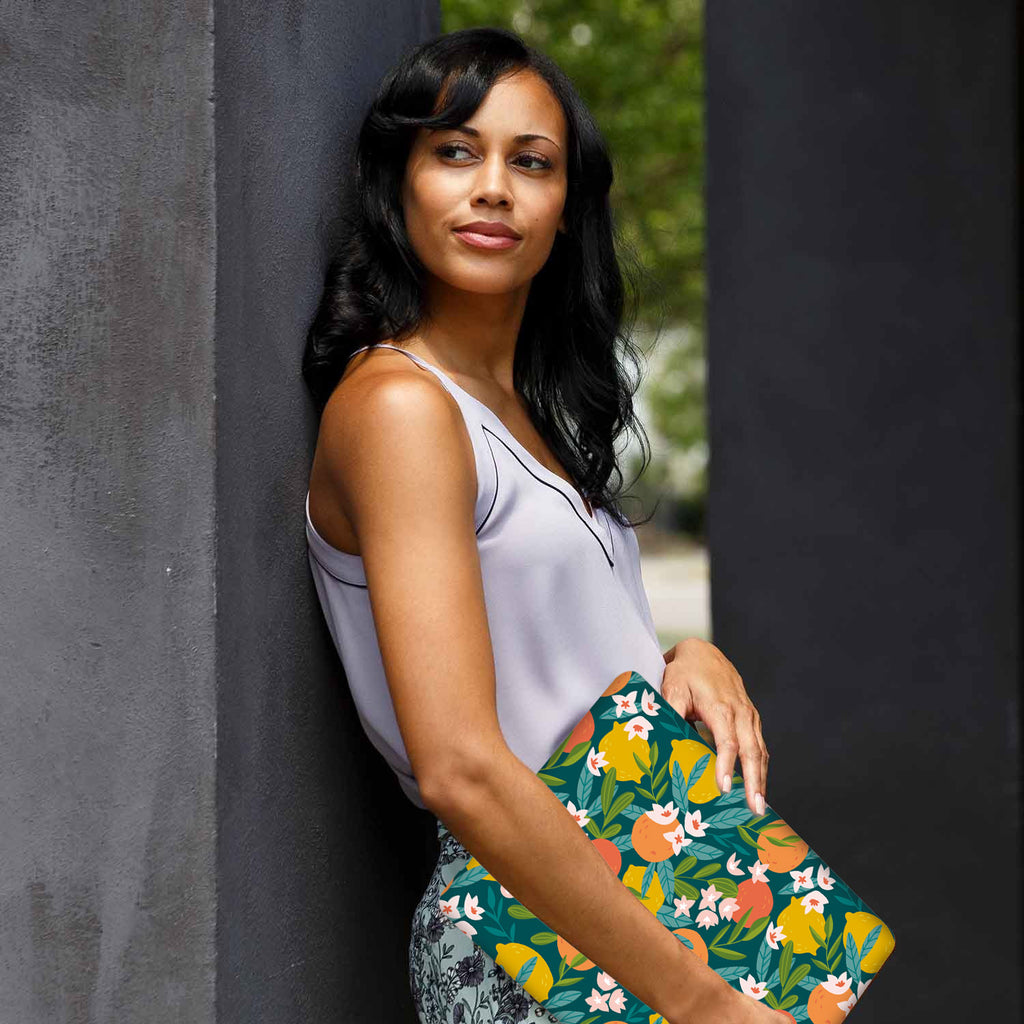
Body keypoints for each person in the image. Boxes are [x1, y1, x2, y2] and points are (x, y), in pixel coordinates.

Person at [302, 26, 776, 1024]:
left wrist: (687, 656)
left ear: (565, 211)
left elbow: (556, 656)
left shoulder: (526, 421)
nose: (492, 189)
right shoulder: (400, 407)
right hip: (535, 933)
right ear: (397, 185)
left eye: (531, 162)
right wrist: (703, 1004)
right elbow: (463, 765)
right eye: (455, 152)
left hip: (653, 877)